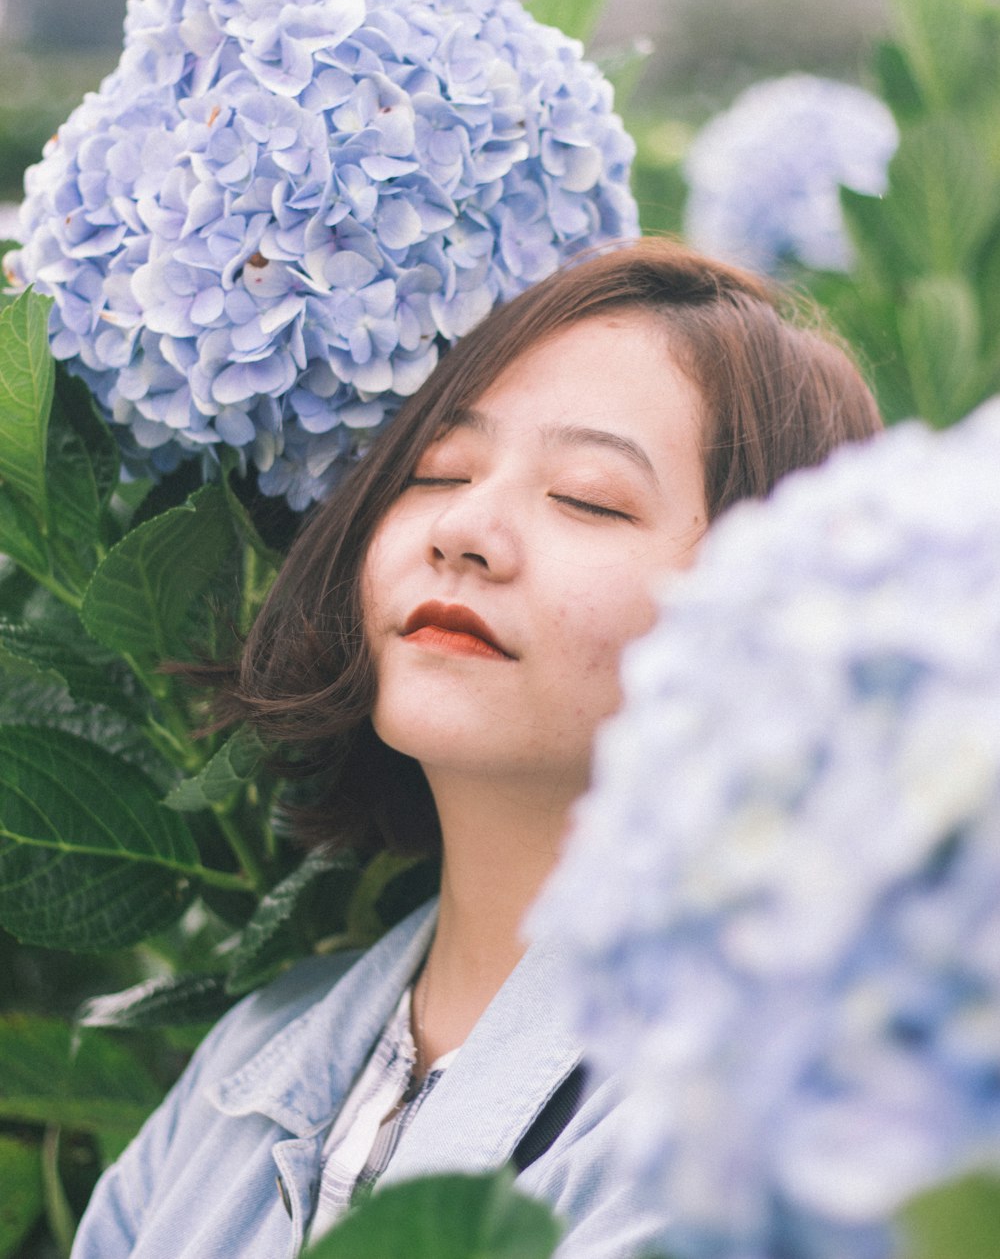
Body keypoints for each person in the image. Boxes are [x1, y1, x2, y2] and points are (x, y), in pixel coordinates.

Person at [71, 238, 883, 1259]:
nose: (465, 527)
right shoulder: (253, 1057)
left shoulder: (751, 1127)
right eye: (435, 468)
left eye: (587, 496)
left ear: (767, 610)